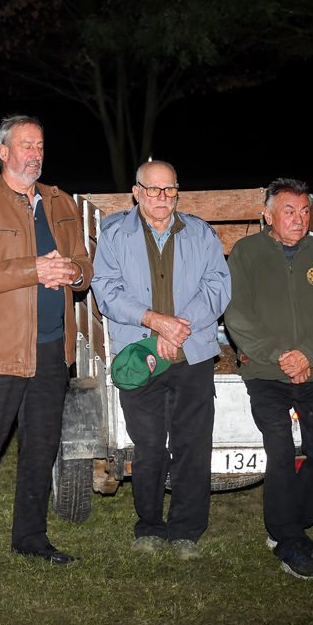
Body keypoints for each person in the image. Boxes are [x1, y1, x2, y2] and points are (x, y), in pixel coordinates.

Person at [0, 115, 93, 573]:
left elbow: (84, 264)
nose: (35, 153)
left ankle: (31, 536)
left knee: (41, 447)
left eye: (40, 145)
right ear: (3, 152)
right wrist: (33, 269)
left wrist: (75, 274)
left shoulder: (60, 202)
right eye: (25, 145)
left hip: (51, 349)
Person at [90, 160, 230, 561]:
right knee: (149, 445)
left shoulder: (200, 233)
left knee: (192, 443)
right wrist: (156, 324)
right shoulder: (115, 234)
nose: (162, 198)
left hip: (192, 352)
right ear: (136, 192)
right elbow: (107, 290)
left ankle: (187, 532)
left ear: (177, 192)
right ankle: (149, 528)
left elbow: (218, 286)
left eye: (169, 190)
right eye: (153, 190)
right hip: (140, 354)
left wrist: (178, 328)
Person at [224, 178, 313, 580]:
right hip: (266, 373)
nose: (298, 220)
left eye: (304, 211)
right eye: (288, 211)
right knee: (280, 450)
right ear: (268, 215)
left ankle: (288, 527)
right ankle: (293, 544)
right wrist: (281, 355)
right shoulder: (246, 253)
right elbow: (236, 312)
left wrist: (307, 356)